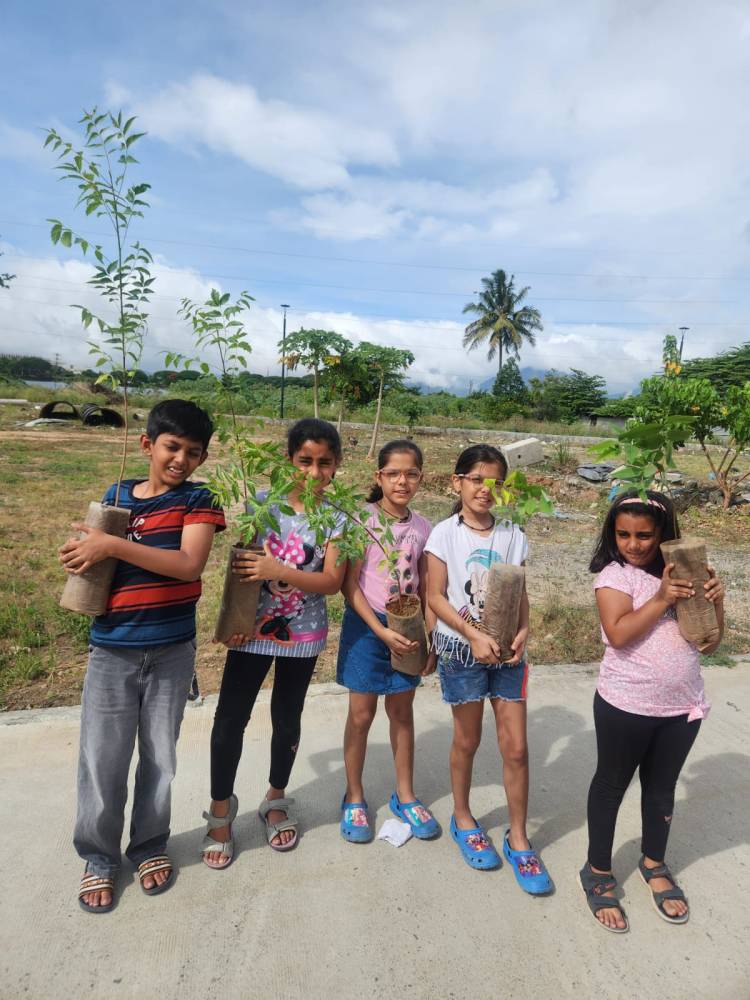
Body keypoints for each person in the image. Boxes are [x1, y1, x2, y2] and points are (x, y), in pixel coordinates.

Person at [59, 399, 225, 913]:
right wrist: (85, 550)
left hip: (172, 651)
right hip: (112, 650)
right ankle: (100, 857)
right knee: (102, 759)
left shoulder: (199, 499)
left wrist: (112, 546)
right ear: (147, 444)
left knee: (161, 758)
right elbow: (92, 555)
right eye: (172, 448)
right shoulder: (115, 495)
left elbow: (188, 565)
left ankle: (149, 844)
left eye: (193, 453)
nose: (182, 460)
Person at [202, 418, 346, 868]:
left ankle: (276, 798)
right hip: (251, 633)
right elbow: (241, 569)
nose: (315, 471)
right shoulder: (261, 506)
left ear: (337, 466)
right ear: (289, 461)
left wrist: (278, 571)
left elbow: (331, 582)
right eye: (305, 461)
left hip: (302, 636)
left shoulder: (339, 517)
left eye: (325, 463)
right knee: (229, 721)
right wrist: (235, 619)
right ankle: (221, 811)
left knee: (287, 719)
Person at [579, 491, 724, 932]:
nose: (634, 544)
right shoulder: (615, 577)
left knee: (661, 789)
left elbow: (709, 644)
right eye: (624, 534)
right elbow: (619, 634)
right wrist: (662, 597)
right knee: (611, 785)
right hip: (626, 705)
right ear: (613, 534)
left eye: (645, 534)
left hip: (682, 706)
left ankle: (654, 863)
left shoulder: (684, 572)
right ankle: (598, 871)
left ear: (663, 533)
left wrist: (714, 600)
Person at [424, 444, 551, 893]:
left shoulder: (514, 535)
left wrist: (524, 630)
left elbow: (521, 591)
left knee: (516, 747)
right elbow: (435, 596)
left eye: (495, 480)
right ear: (457, 483)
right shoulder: (443, 534)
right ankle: (462, 816)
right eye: (476, 479)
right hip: (462, 651)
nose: (485, 489)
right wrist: (473, 634)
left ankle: (518, 837)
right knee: (468, 738)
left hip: (508, 655)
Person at [337, 440, 439, 843]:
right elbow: (350, 585)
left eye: (411, 473)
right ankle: (355, 794)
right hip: (368, 629)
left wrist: (427, 635)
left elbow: (428, 586)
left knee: (402, 712)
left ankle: (405, 794)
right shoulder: (361, 519)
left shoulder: (423, 527)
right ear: (378, 476)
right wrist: (380, 630)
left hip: (409, 629)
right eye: (393, 473)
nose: (402, 481)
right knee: (361, 716)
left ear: (421, 478)